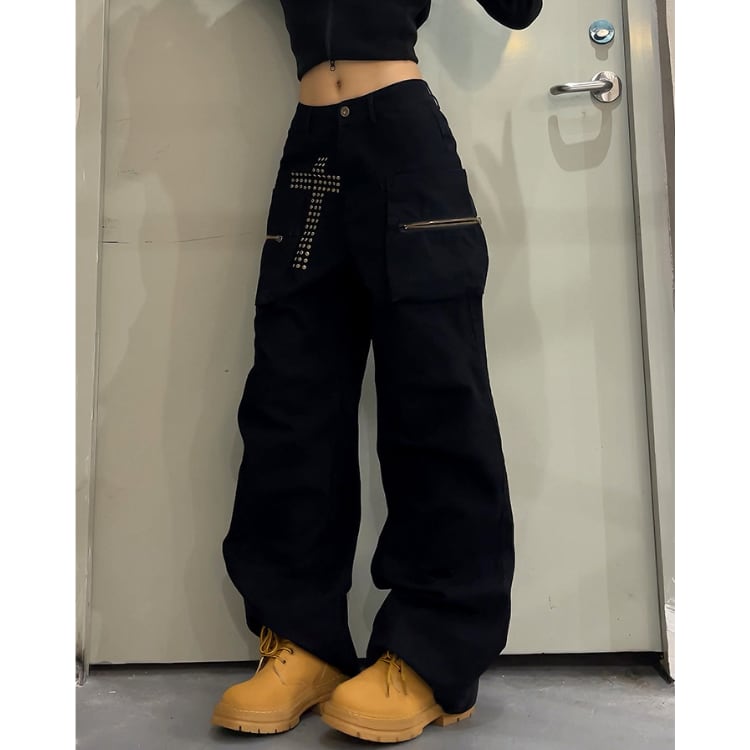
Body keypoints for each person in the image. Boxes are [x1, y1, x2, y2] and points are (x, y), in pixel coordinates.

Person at [212, 0, 543, 743]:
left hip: (402, 140)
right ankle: (303, 642)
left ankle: (434, 652)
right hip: (312, 150)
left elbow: (520, 9)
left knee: (436, 400)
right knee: (289, 403)